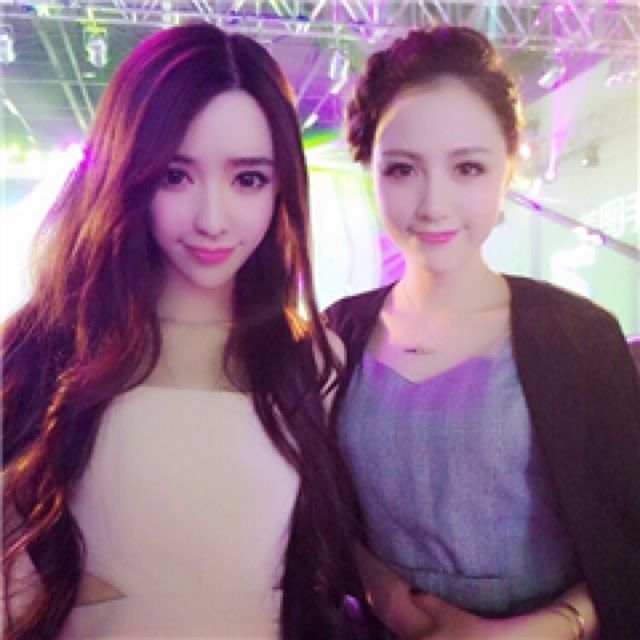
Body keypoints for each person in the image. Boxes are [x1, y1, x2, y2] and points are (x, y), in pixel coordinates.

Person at [1, 22, 381, 639]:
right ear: (129, 173)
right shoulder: (47, 348)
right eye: (175, 176)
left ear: (281, 187)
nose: (212, 218)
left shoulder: (310, 360)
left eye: (247, 179)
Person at [326, 25, 640, 639]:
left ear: (508, 169)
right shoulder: (339, 334)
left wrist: (535, 631)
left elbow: (627, 539)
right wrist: (380, 587)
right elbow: (323, 511)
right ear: (371, 170)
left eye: (467, 167)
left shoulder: (579, 337)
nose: (433, 204)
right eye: (403, 169)